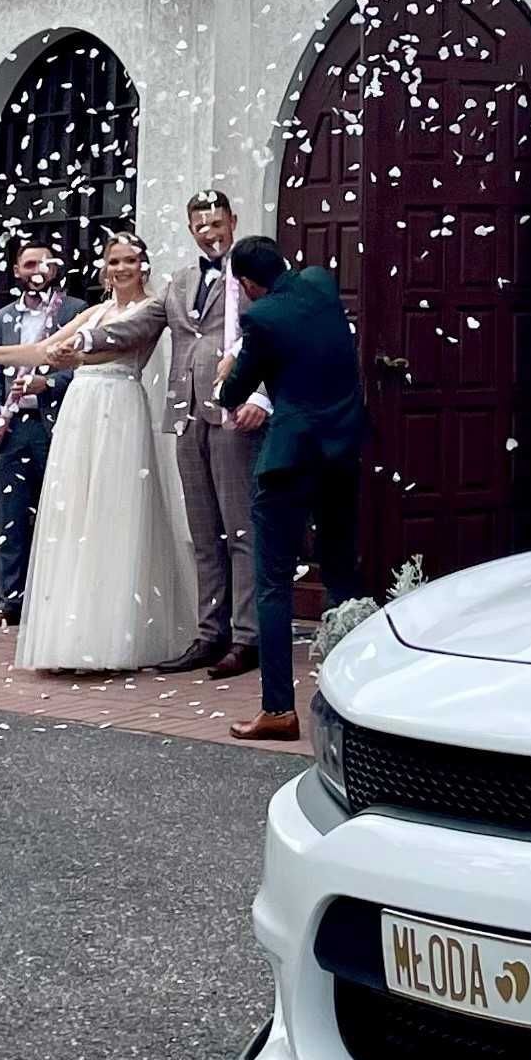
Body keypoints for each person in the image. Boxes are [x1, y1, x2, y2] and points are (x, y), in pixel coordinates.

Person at [0, 234, 194, 674]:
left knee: (111, 517)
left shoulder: (151, 309)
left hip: (118, 409)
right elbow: (40, 350)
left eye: (131, 260)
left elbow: (113, 347)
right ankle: (70, 637)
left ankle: (111, 639)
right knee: (73, 515)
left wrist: (69, 355)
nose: (122, 268)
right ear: (104, 266)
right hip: (80, 413)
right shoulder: (95, 309)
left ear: (144, 266)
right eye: (115, 260)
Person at [216, 242, 368, 742]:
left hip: (289, 462)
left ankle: (279, 709)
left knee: (274, 583)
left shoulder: (262, 318)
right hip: (342, 452)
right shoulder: (322, 283)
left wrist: (227, 372)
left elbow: (233, 394)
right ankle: (352, 702)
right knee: (342, 575)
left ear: (246, 285)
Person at [152, 189, 262, 678]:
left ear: (232, 221)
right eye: (200, 225)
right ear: (189, 227)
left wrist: (260, 396)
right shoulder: (179, 281)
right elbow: (143, 323)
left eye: (216, 223)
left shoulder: (252, 273)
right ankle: (208, 632)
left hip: (233, 412)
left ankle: (247, 637)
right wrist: (84, 339)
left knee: (240, 528)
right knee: (203, 531)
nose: (209, 233)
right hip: (186, 411)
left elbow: (269, 337)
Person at [0, 245, 72, 626]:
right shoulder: (4, 317)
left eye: (44, 262)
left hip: (54, 424)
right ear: (17, 270)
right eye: (29, 263)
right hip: (13, 428)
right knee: (11, 517)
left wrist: (45, 383)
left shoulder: (73, 310)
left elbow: (81, 368)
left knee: (58, 514)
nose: (37, 269)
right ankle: (10, 600)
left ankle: (53, 597)